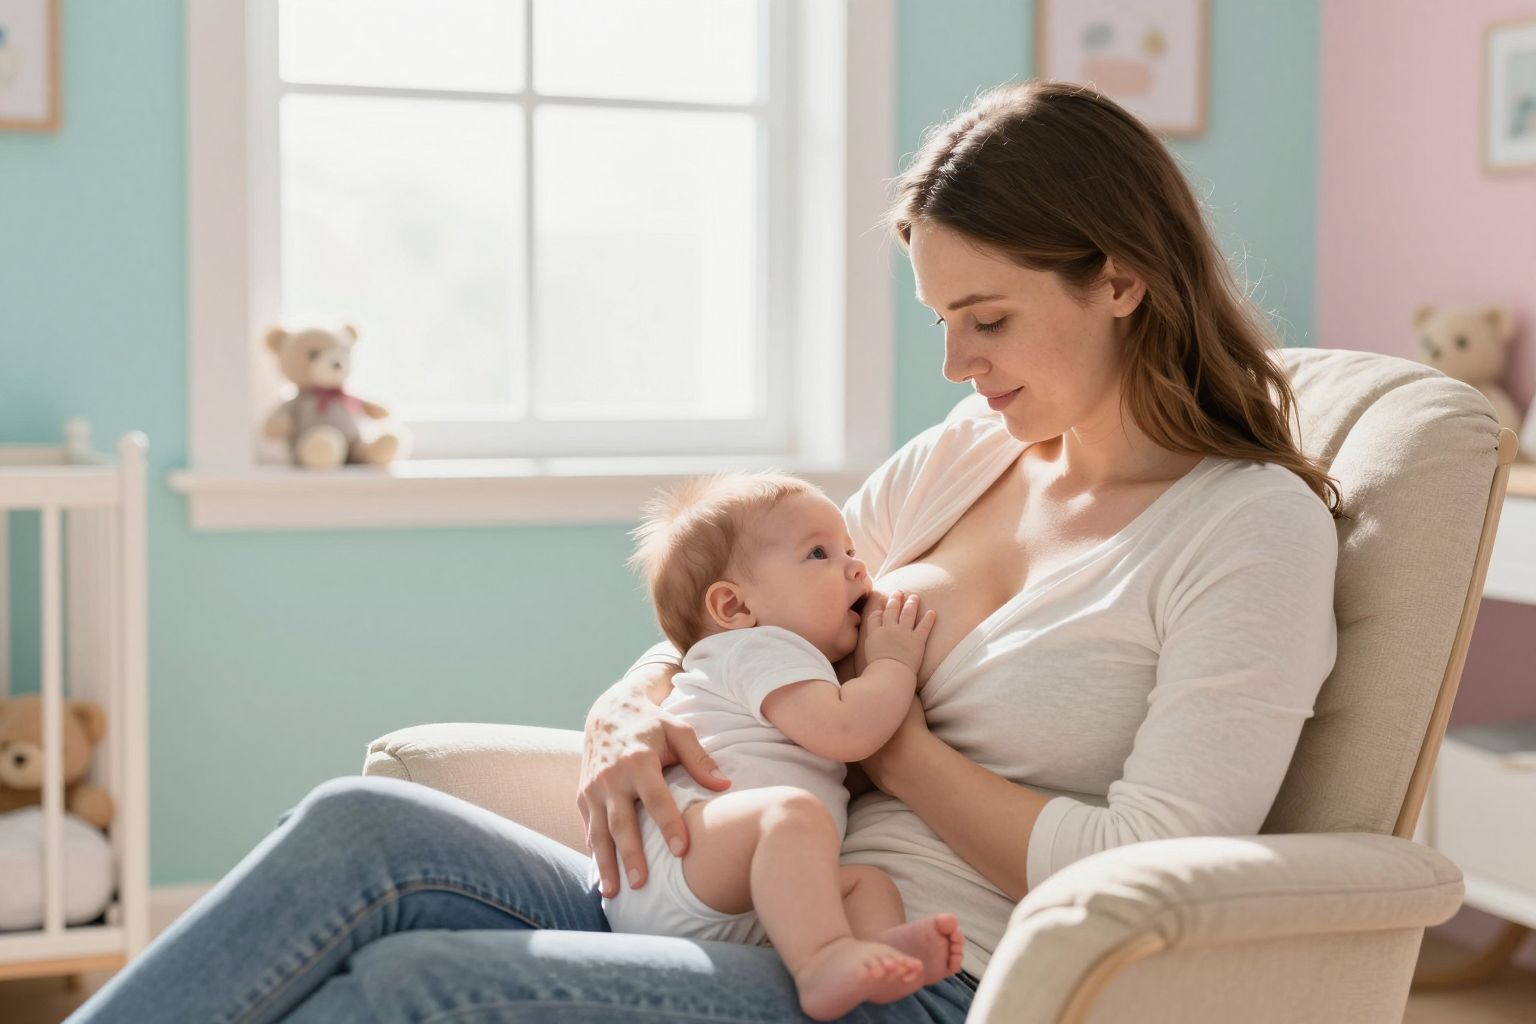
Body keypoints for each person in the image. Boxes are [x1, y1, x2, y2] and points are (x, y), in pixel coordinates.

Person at [67, 80, 1341, 1024]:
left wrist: (892, 741)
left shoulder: (1245, 527)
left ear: (1119, 278)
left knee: (417, 987)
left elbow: (1147, 861)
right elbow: (746, 612)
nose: (957, 364)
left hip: (926, 974)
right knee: (361, 828)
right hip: (739, 895)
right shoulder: (971, 453)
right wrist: (630, 707)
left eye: (988, 319)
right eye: (940, 323)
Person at [601, 471, 961, 1020]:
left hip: (733, 888)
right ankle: (823, 961)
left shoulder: (763, 654)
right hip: (682, 856)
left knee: (865, 884)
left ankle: (880, 956)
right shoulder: (758, 648)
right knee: (792, 814)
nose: (857, 567)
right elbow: (848, 731)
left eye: (849, 550)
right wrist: (892, 662)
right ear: (733, 608)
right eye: (819, 554)